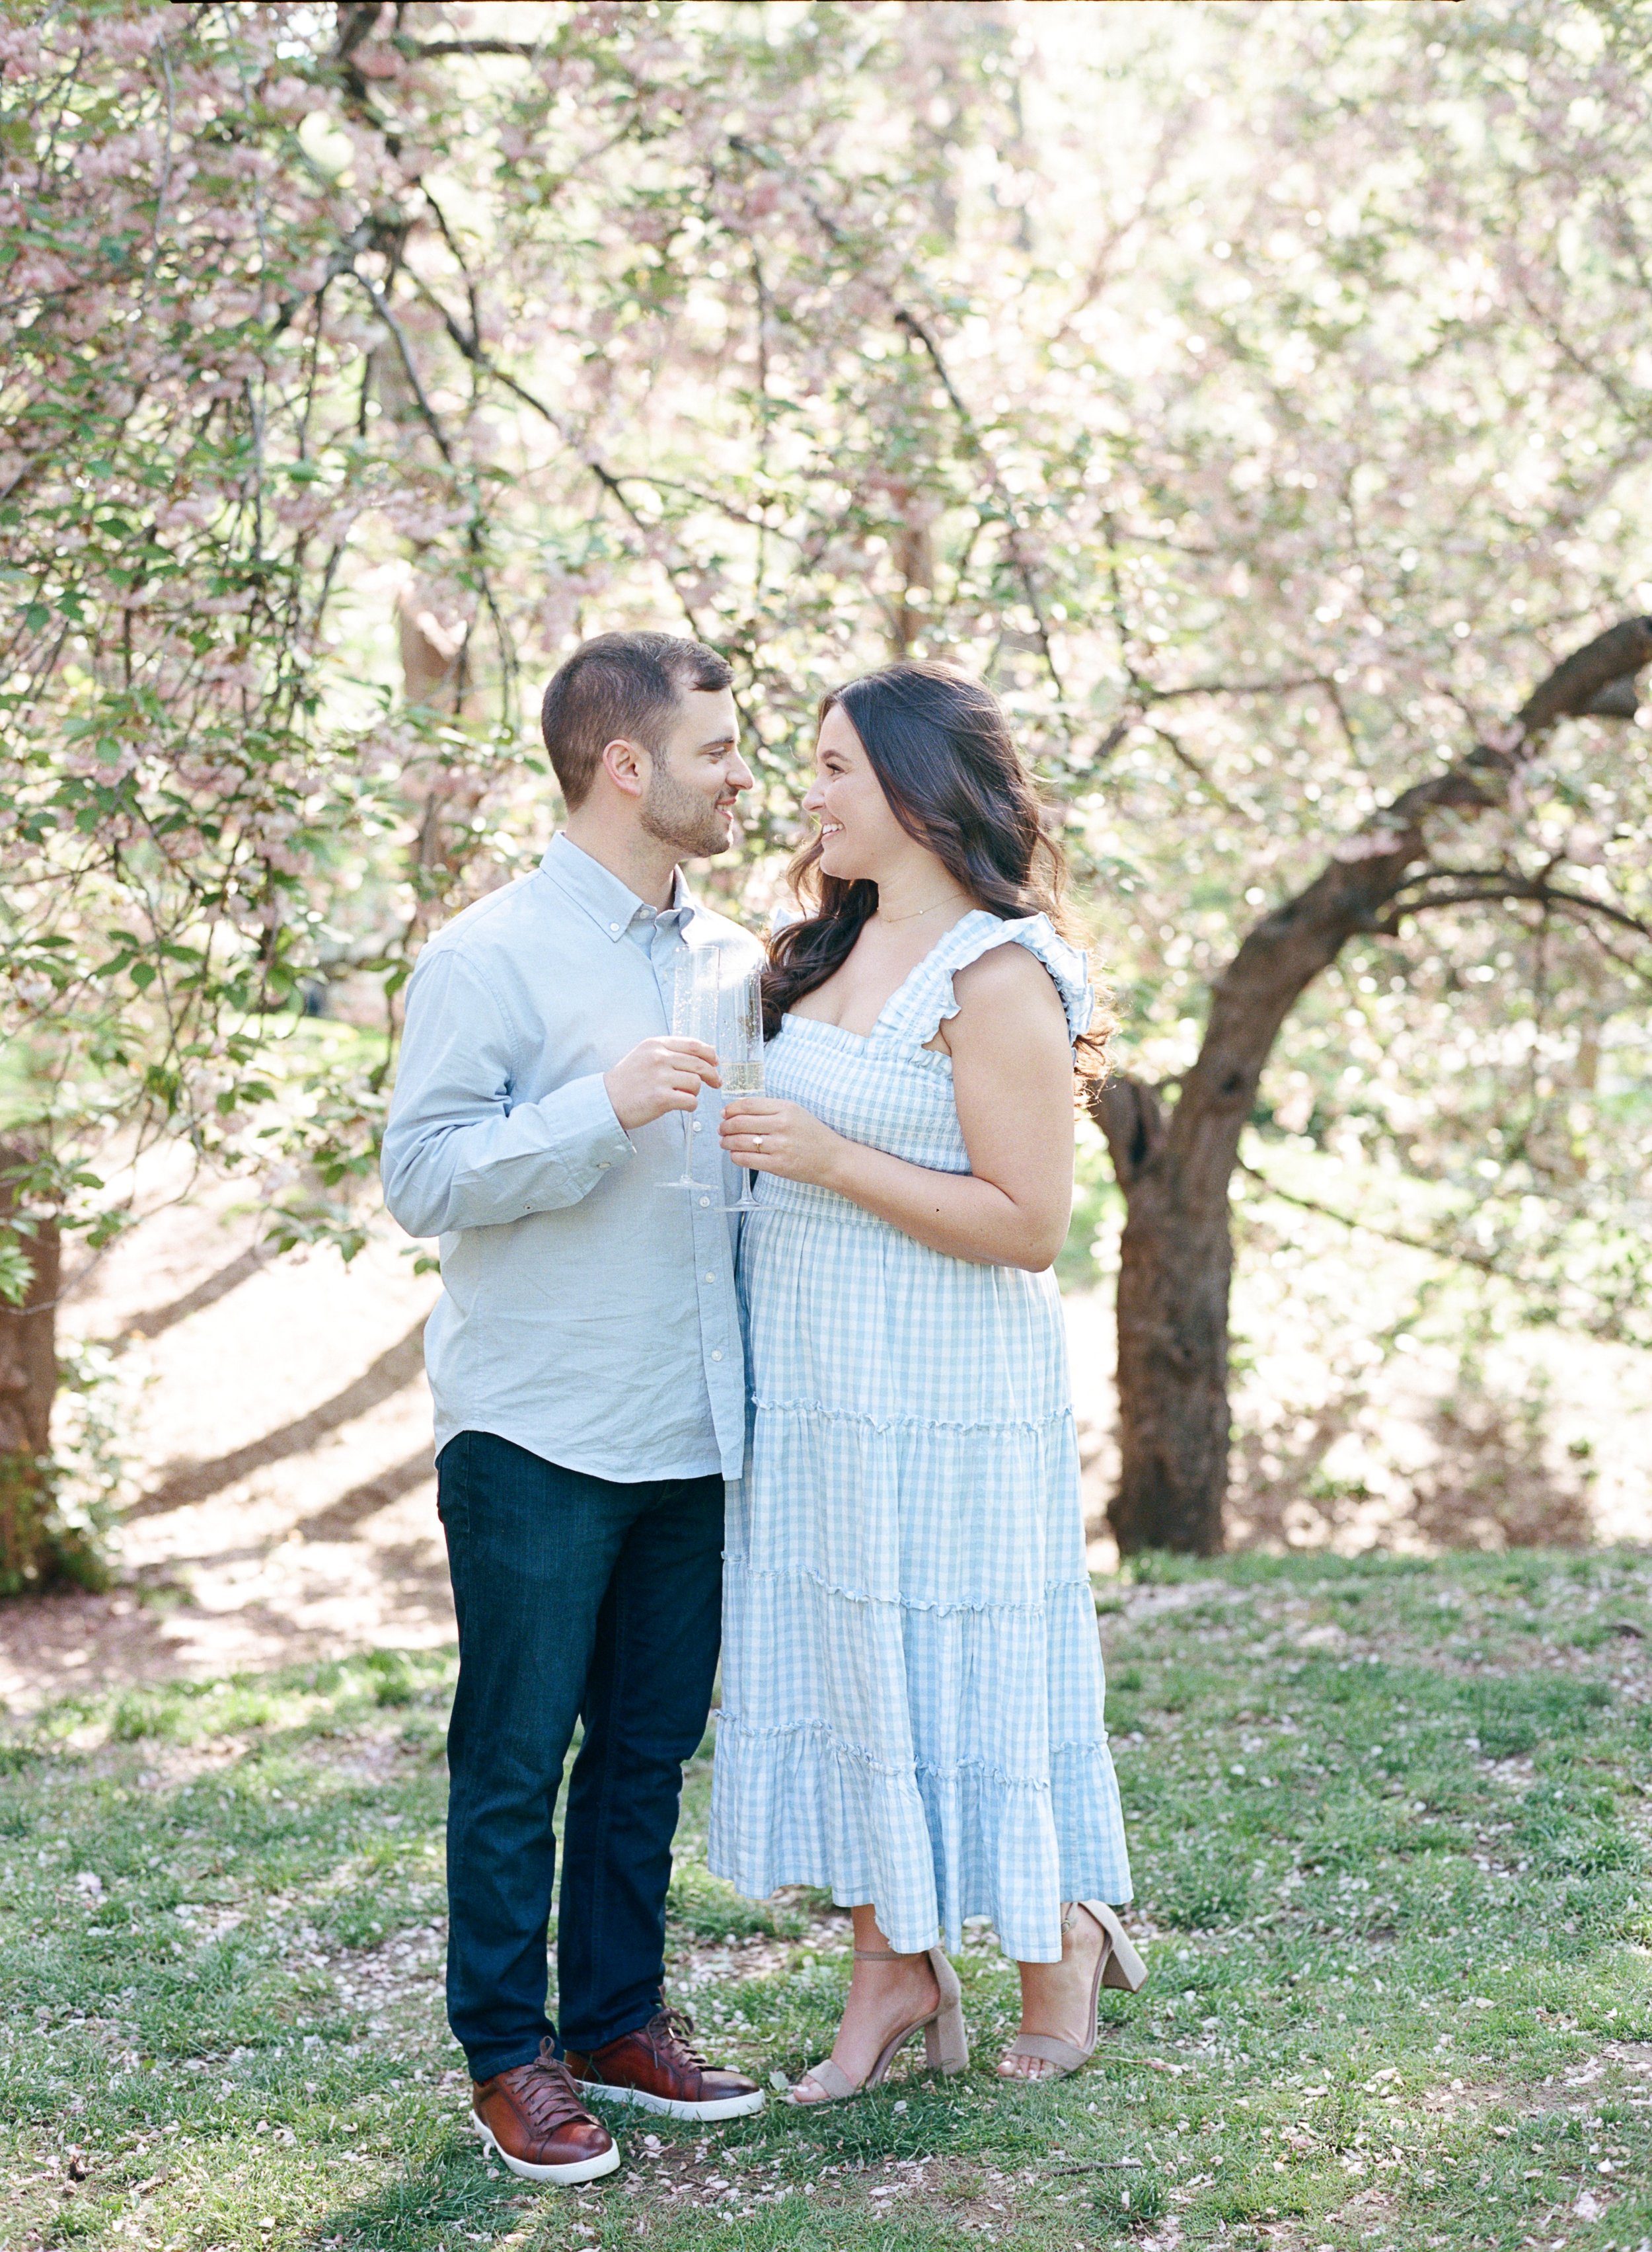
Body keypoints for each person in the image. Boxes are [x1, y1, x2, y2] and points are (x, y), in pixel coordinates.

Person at [710, 660, 1144, 2101]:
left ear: (912, 787)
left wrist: (829, 1161)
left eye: (833, 766)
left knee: (974, 1666)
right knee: (851, 1669)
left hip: (946, 1394)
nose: (808, 792)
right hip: (820, 1389)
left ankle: (1059, 1938)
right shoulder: (814, 950)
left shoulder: (995, 973)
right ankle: (889, 1966)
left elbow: (1028, 1224)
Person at [382, 631, 767, 2185]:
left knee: (645, 1753)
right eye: (717, 753)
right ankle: (509, 2060)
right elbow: (422, 1178)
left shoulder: (741, 960)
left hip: (693, 1427)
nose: (740, 778)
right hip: (535, 1427)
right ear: (627, 767)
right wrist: (591, 1112)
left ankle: (617, 2021)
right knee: (516, 1753)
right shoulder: (489, 954)